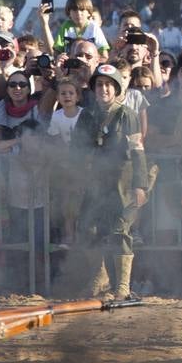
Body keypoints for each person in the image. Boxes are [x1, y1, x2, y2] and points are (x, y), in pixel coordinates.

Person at [68, 65, 150, 299]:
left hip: (121, 179)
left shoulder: (127, 115)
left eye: (108, 85)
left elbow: (137, 151)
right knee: (88, 227)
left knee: (120, 230)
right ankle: (100, 276)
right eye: (99, 85)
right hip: (94, 179)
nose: (103, 89)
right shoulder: (87, 114)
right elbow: (78, 148)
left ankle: (122, 285)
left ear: (116, 88)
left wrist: (139, 185)